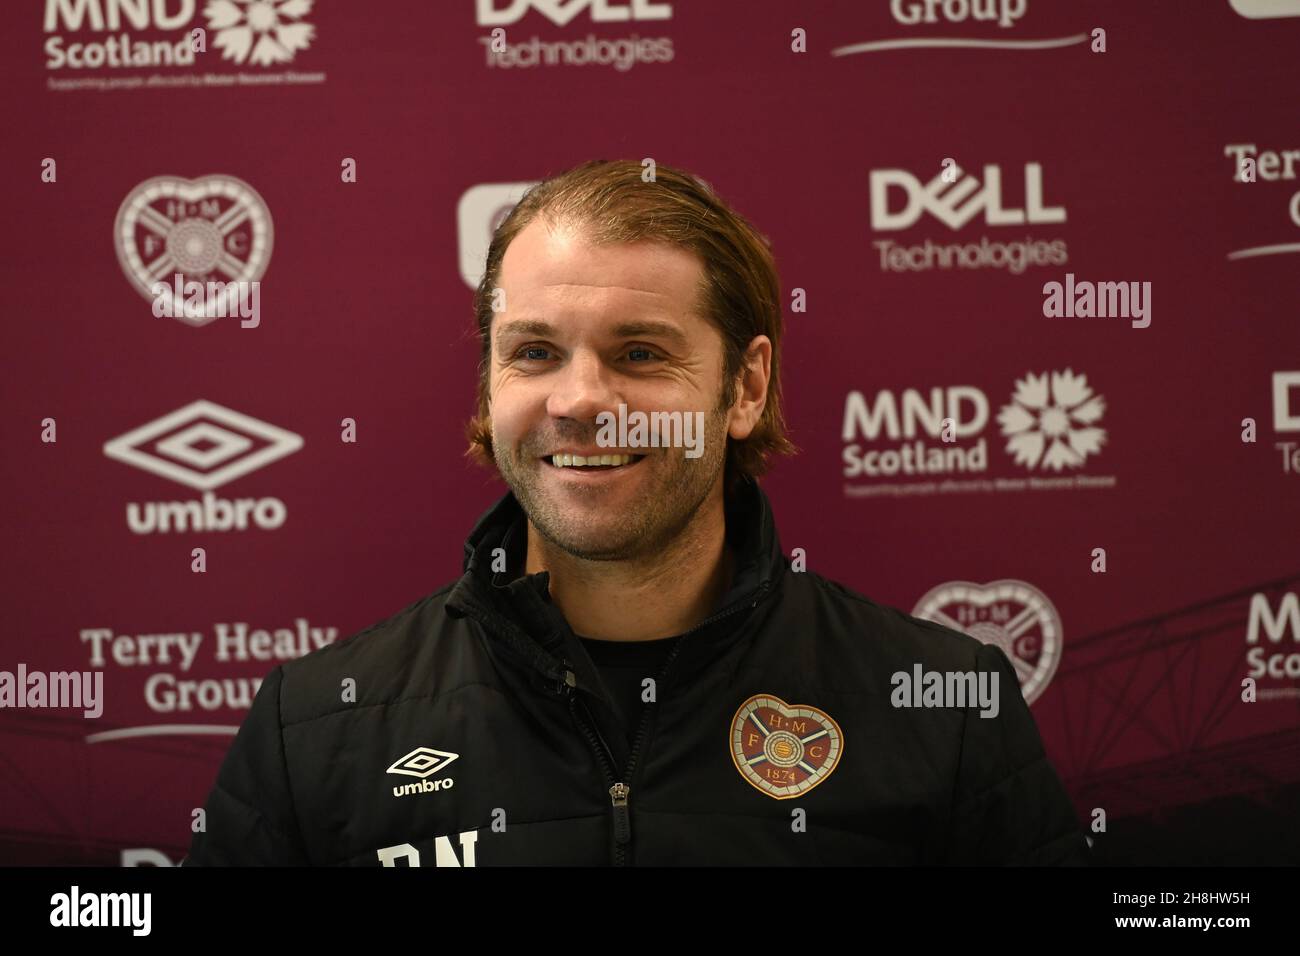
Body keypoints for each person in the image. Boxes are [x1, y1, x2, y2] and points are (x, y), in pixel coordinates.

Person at [184, 159, 1089, 866]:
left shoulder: (943, 707)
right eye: (534, 352)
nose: (580, 401)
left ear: (745, 386)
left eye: (641, 353)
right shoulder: (315, 729)